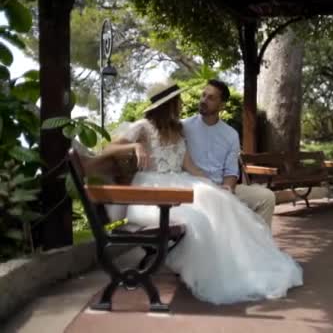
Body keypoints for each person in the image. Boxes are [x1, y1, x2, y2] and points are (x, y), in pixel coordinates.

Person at [103, 81, 303, 305]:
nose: (196, 101)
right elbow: (108, 148)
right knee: (202, 215)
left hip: (180, 184)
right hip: (153, 191)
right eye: (178, 101)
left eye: (210, 97)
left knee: (217, 199)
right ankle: (221, 265)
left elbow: (192, 167)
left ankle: (243, 259)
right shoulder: (144, 127)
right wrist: (134, 147)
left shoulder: (179, 130)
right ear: (169, 104)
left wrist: (216, 188)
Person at [182, 79, 276, 228]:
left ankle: (262, 244)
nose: (204, 100)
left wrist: (228, 189)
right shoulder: (184, 127)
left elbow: (231, 170)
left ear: (222, 105)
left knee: (267, 197)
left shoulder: (230, 134)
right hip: (195, 188)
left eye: (211, 98)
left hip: (223, 187)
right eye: (203, 95)